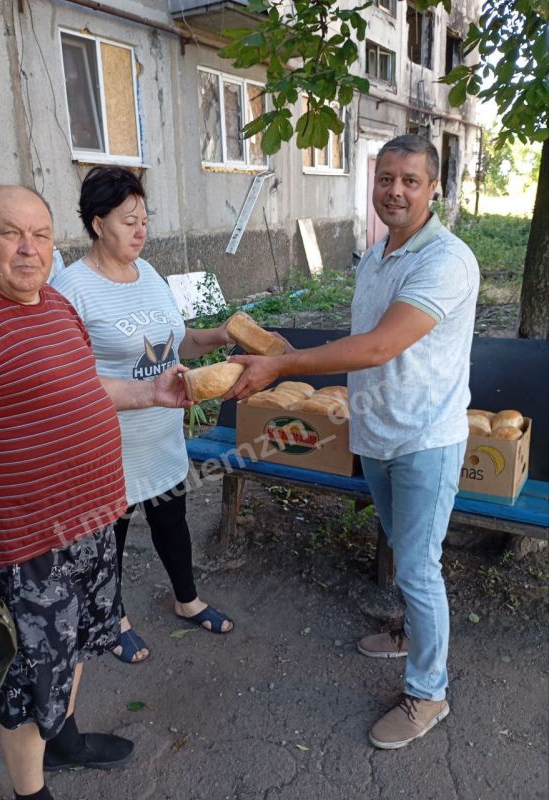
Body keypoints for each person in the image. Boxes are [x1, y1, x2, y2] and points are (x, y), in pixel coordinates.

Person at [225, 134, 480, 749]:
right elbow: (361, 341)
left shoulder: (444, 260)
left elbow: (378, 346)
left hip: (425, 438)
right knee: (401, 546)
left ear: (434, 187)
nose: (395, 190)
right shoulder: (376, 256)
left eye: (410, 180)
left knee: (420, 567)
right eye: (386, 178)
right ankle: (411, 634)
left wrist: (287, 368)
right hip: (376, 429)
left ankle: (429, 693)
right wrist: (289, 353)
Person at [0, 185, 190, 800]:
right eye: (10, 233)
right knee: (30, 678)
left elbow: (88, 388)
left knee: (77, 643)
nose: (29, 250)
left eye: (41, 235)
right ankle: (32, 792)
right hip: (25, 545)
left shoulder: (54, 305)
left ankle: (67, 743)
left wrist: (151, 393)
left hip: (90, 525)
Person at [51, 166, 234, 665]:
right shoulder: (71, 289)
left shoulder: (148, 273)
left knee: (172, 519)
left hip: (162, 433)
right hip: (109, 442)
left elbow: (175, 344)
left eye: (144, 218)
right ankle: (113, 619)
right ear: (96, 223)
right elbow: (66, 378)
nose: (141, 229)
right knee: (113, 533)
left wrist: (217, 335)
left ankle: (186, 598)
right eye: (129, 219)